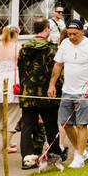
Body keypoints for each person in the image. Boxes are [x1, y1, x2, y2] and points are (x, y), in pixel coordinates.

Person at [47, 19, 88, 169]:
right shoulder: (65, 44)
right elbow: (58, 64)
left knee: (81, 124)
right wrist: (52, 85)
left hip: (84, 92)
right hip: (67, 90)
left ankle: (78, 157)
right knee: (65, 124)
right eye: (69, 34)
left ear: (82, 32)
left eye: (74, 34)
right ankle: (83, 152)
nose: (71, 37)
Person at [17, 17, 61, 168]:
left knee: (27, 127)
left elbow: (20, 71)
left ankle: (27, 159)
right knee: (51, 127)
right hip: (47, 94)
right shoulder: (52, 49)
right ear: (47, 29)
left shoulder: (23, 49)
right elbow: (58, 72)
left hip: (28, 93)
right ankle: (54, 154)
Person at [0, 26, 19, 154]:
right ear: (16, 34)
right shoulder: (17, 48)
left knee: (2, 114)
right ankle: (5, 145)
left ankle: (5, 141)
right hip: (12, 81)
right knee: (13, 114)